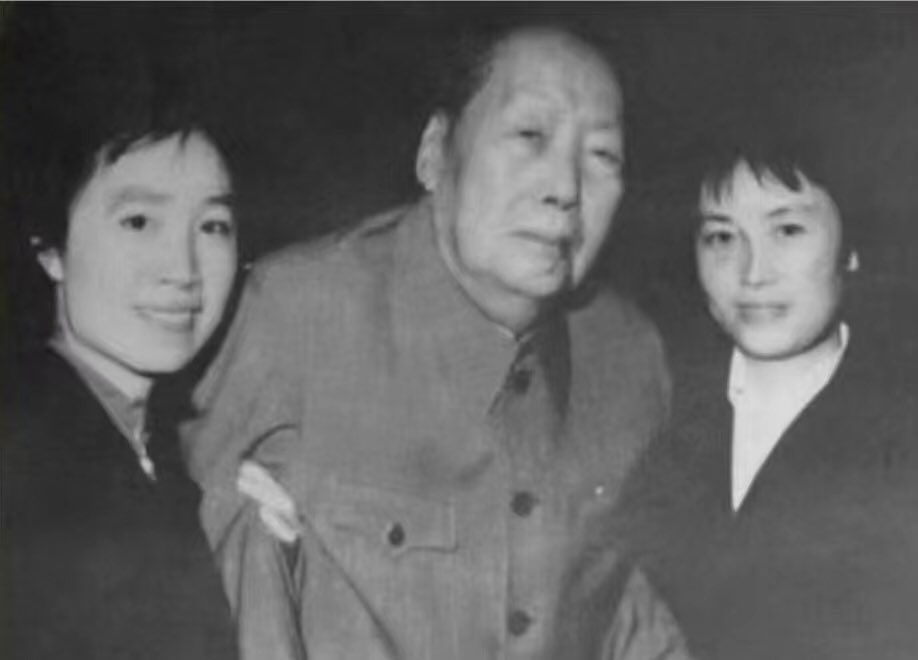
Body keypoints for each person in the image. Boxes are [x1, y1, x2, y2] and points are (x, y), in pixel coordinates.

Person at [185, 23, 691, 660]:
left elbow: (623, 606)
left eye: (602, 156)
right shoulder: (296, 313)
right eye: (529, 136)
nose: (565, 189)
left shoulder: (630, 357)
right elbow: (193, 572)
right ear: (433, 154)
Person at [611, 121, 918, 660]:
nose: (752, 273)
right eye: (722, 237)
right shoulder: (650, 400)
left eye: (788, 230)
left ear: (852, 248)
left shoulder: (899, 434)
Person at [1, 95, 241, 660]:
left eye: (213, 226)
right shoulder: (23, 459)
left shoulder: (152, 447)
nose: (184, 270)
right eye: (139, 221)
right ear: (50, 249)